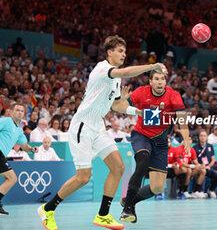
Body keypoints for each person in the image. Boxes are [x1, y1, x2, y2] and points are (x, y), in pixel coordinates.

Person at [37, 35, 167, 230]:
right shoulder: (102, 69)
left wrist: (136, 111)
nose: (124, 54)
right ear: (109, 52)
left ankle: (103, 215)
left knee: (118, 167)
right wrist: (151, 66)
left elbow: (116, 105)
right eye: (120, 51)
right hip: (82, 126)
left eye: (125, 51)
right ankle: (48, 209)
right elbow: (126, 71)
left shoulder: (116, 79)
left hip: (98, 125)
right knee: (83, 177)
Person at [119, 70, 190, 223]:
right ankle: (127, 210)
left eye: (162, 79)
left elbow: (182, 120)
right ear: (150, 81)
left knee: (157, 188)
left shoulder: (173, 95)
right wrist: (123, 101)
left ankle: (129, 201)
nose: (159, 82)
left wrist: (186, 138)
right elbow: (121, 107)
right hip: (142, 135)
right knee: (143, 162)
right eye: (156, 79)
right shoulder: (141, 92)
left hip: (161, 142)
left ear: (166, 81)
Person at [0, 103, 38, 215]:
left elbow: (25, 146)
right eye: (17, 110)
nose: (20, 112)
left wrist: (32, 150)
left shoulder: (19, 130)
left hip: (2, 155)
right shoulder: (6, 121)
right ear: (11, 112)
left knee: (11, 178)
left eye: (22, 111)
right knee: (12, 178)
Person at [193, 131, 217, 199]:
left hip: (208, 168)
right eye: (201, 136)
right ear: (199, 137)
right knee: (203, 172)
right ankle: (200, 191)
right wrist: (200, 166)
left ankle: (211, 190)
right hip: (199, 168)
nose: (203, 137)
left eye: (204, 136)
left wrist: (208, 166)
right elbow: (194, 160)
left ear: (206, 137)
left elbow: (213, 160)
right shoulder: (195, 147)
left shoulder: (210, 146)